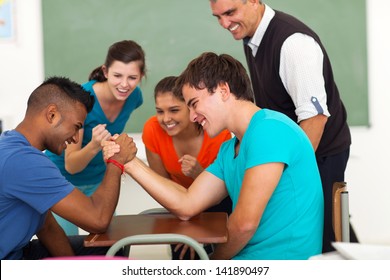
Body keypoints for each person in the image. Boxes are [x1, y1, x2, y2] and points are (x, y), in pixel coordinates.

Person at [103, 52, 324, 260]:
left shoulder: (269, 130)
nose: (192, 116)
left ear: (223, 90)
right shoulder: (230, 149)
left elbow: (244, 224)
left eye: (194, 104)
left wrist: (211, 266)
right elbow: (187, 204)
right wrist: (130, 162)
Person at [209, 0, 357, 252]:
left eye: (230, 13)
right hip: (288, 150)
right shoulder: (252, 37)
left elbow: (315, 119)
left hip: (319, 151)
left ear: (254, 1)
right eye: (218, 17)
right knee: (326, 230)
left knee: (323, 238)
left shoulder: (293, 43)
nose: (224, 23)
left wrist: (292, 171)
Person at [0, 76, 136, 260]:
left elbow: (47, 228)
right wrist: (116, 161)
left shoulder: (12, 145)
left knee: (111, 247)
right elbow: (98, 220)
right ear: (52, 115)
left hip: (17, 252)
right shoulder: (23, 161)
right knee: (114, 254)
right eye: (76, 127)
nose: (75, 138)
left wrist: (73, 270)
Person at [45, 40, 146, 235]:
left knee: (110, 243)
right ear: (105, 71)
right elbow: (71, 166)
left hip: (100, 181)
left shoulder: (134, 97)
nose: (124, 85)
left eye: (132, 77)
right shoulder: (82, 101)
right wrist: (94, 145)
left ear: (141, 76)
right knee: (66, 248)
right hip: (64, 182)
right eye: (117, 75)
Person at [142, 76, 232, 259]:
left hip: (219, 206)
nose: (166, 119)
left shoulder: (217, 134)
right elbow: (162, 187)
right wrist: (187, 225)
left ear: (192, 110)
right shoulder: (152, 129)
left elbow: (224, 190)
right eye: (160, 111)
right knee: (183, 252)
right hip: (178, 205)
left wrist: (200, 174)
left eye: (174, 110)